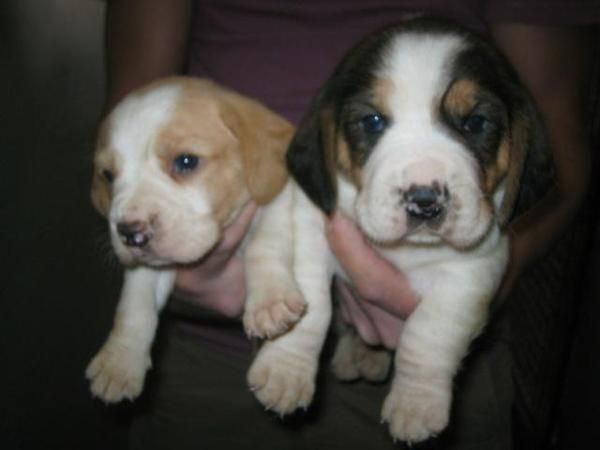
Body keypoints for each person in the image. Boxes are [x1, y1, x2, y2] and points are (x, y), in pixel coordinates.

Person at [100, 1, 598, 449]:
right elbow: (129, 116)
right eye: (374, 124)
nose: (424, 185)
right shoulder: (323, 181)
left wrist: (441, 339)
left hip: (456, 362)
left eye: (473, 124)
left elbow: (557, 117)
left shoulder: (518, 148)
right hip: (200, 360)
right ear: (330, 144)